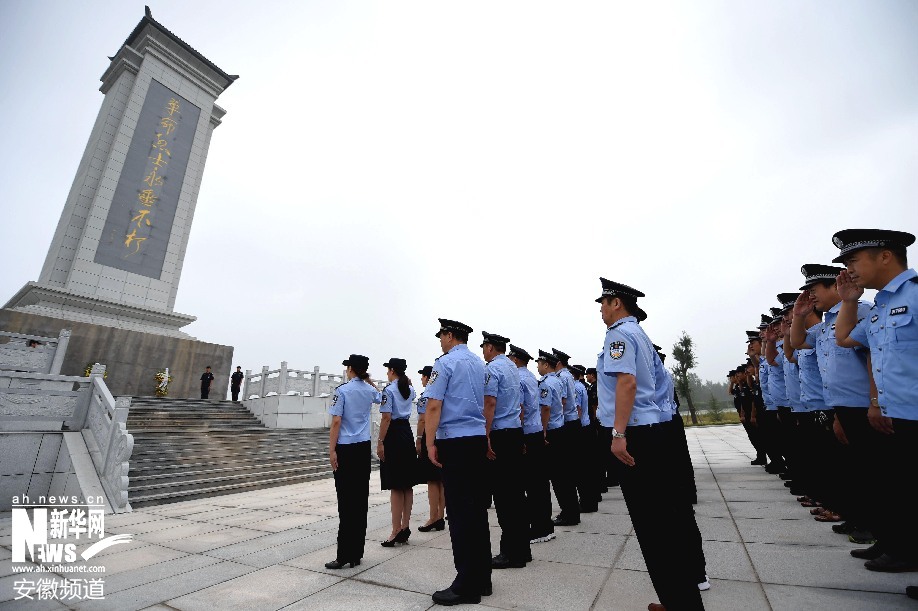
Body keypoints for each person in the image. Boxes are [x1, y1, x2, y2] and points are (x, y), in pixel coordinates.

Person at [595, 277, 705, 610]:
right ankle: (680, 600)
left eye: (603, 302)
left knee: (654, 528)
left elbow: (626, 385)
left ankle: (679, 603)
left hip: (637, 436)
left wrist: (618, 434)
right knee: (666, 522)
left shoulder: (619, 335)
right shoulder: (639, 335)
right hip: (655, 431)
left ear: (617, 303)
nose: (600, 309)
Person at [833, 229, 918, 577]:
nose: (849, 269)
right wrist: (850, 300)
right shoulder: (879, 307)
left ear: (885, 255)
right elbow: (843, 338)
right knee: (902, 492)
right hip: (898, 417)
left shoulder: (914, 295)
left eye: (854, 260)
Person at [424, 318, 492, 606]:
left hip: (454, 441)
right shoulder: (479, 363)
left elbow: (434, 404)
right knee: (476, 511)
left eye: (442, 336)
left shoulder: (445, 363)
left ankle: (466, 584)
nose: (440, 341)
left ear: (450, 336)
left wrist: (429, 443)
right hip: (476, 439)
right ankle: (483, 578)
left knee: (461, 514)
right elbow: (489, 400)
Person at [325, 354, 380, 570]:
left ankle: (343, 555)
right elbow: (380, 396)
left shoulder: (343, 390)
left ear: (350, 369)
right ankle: (357, 553)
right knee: (359, 501)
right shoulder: (368, 391)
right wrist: (368, 380)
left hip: (346, 448)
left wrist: (331, 450)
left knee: (346, 502)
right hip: (363, 448)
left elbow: (336, 421)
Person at [480, 331, 529, 569]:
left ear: (490, 347)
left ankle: (511, 553)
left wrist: (486, 435)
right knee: (516, 495)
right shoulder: (513, 369)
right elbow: (519, 405)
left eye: (484, 346)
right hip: (514, 432)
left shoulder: (492, 369)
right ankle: (522, 549)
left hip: (499, 434)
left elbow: (489, 403)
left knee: (504, 497)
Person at [509, 344, 554, 544]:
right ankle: (545, 525)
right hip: (536, 432)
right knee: (539, 483)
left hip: (526, 433)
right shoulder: (531, 379)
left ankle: (538, 528)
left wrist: (518, 438)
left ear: (515, 359)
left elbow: (520, 409)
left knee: (530, 483)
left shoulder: (518, 378)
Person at [535, 350, 579, 526]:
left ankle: (569, 514)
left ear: (546, 365)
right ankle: (571, 511)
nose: (537, 366)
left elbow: (545, 409)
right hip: (561, 428)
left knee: (558, 475)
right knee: (564, 474)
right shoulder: (558, 380)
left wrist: (543, 431)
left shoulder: (546, 383)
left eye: (539, 363)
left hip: (552, 430)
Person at [378, 358, 418, 547]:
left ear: (392, 370)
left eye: (388, 370)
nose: (387, 373)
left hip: (393, 434)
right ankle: (405, 527)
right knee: (407, 485)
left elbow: (386, 418)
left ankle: (395, 531)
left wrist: (380, 442)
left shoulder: (389, 390)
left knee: (395, 485)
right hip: (406, 433)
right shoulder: (410, 389)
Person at [415, 365, 446, 532]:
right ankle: (440, 515)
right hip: (442, 435)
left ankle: (433, 516)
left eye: (423, 377)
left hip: (430, 435)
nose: (422, 379)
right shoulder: (442, 394)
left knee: (432, 480)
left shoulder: (426, 396)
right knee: (440, 479)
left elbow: (422, 420)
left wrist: (420, 439)